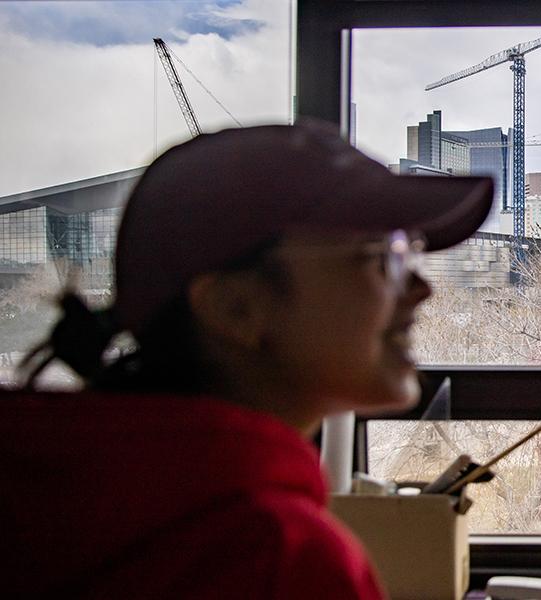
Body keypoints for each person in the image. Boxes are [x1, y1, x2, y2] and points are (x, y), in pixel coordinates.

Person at [0, 123, 492, 598]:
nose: (423, 288)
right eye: (385, 256)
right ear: (236, 307)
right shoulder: (278, 559)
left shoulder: (61, 504)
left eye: (412, 253)